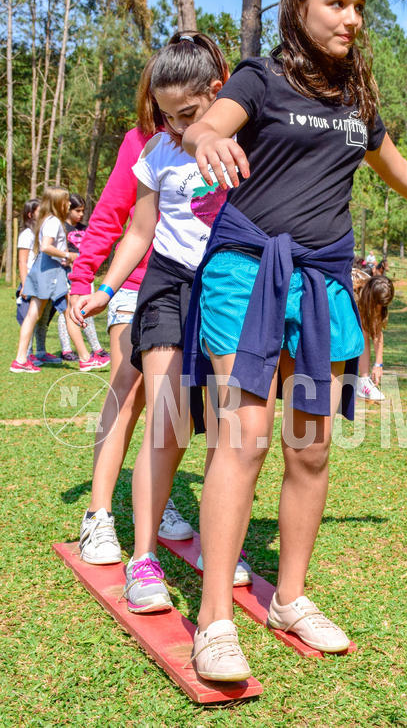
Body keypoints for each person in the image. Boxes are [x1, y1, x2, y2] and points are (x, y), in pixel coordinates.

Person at [180, 0, 407, 682]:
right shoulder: (260, 76)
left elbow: (394, 164)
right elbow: (205, 127)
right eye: (337, 4)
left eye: (359, 7)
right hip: (247, 272)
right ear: (301, 7)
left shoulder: (356, 101)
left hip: (322, 284)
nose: (352, 19)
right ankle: (216, 618)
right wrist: (210, 136)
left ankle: (288, 598)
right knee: (245, 439)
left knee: (310, 448)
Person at [72, 32, 252, 609]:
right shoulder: (156, 154)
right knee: (167, 417)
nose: (175, 127)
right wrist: (103, 286)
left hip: (225, 286)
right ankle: (143, 558)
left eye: (188, 115)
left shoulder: (244, 142)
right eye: (166, 115)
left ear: (218, 95)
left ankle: (215, 542)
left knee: (228, 424)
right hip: (168, 287)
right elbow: (138, 232)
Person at [69, 54, 193, 564]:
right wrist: (84, 279)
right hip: (136, 281)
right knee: (130, 386)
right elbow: (113, 215)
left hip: (197, 286)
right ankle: (98, 515)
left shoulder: (230, 131)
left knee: (180, 403)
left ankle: (154, 499)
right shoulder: (142, 140)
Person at [11, 188, 91, 373]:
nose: (69, 204)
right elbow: (47, 247)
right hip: (51, 272)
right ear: (57, 203)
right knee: (66, 311)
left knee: (40, 314)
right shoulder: (53, 221)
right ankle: (85, 358)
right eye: (66, 201)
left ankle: (21, 359)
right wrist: (68, 255)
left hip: (48, 269)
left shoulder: (48, 221)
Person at [56, 194, 111, 367]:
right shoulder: (61, 229)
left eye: (82, 211)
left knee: (84, 309)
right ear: (68, 210)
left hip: (85, 275)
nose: (80, 214)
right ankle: (68, 349)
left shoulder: (85, 229)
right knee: (69, 312)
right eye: (77, 211)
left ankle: (96, 348)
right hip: (67, 275)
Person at [355, 275, 395, 402]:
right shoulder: (355, 292)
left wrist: (378, 364)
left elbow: (377, 332)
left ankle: (363, 381)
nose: (380, 309)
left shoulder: (377, 292)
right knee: (363, 331)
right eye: (378, 304)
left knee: (366, 328)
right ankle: (363, 380)